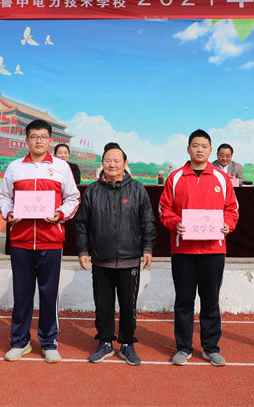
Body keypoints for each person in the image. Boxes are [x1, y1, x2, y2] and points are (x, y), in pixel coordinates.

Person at [0, 120, 80, 363]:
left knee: (48, 293)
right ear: (26, 139)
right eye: (34, 137)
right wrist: (10, 213)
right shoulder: (15, 167)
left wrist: (60, 215)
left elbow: (73, 198)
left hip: (51, 240)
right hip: (21, 241)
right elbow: (3, 196)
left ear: (50, 140)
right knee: (22, 293)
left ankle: (49, 342)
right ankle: (19, 342)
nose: (38, 141)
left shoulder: (61, 167)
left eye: (43, 137)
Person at [159, 129, 239, 367]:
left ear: (210, 150)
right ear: (188, 149)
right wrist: (176, 223)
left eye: (204, 146)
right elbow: (164, 209)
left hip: (213, 250)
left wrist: (227, 225)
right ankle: (183, 347)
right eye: (195, 145)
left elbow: (232, 209)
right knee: (183, 301)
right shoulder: (175, 178)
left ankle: (211, 347)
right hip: (183, 251)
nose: (200, 149)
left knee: (210, 300)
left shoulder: (221, 179)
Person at [75, 142, 156, 366]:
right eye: (108, 160)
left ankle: (127, 343)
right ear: (102, 163)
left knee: (128, 306)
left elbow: (147, 221)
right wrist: (83, 250)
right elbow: (82, 224)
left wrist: (147, 248)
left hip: (130, 258)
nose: (112, 164)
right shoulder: (92, 190)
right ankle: (105, 342)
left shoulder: (137, 189)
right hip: (101, 258)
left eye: (116, 160)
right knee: (103, 304)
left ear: (124, 164)